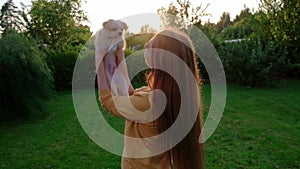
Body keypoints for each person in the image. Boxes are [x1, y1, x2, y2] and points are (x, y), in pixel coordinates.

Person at [97, 28, 204, 169]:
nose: (145, 46)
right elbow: (129, 94)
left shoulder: (150, 102)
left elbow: (108, 101)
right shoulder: (172, 96)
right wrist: (119, 53)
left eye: (151, 45)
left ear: (162, 58)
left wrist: (99, 56)